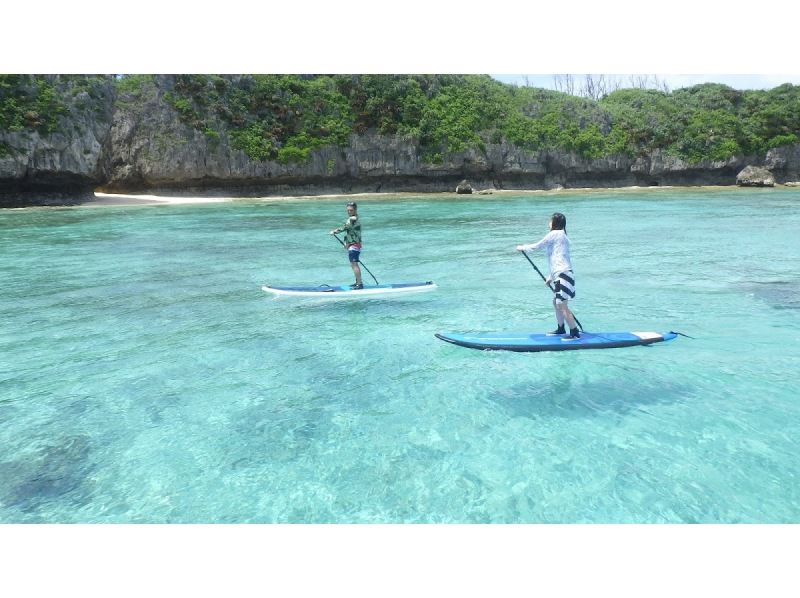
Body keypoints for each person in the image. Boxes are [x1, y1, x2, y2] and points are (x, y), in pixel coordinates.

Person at [516, 212, 580, 339]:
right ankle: (561, 328)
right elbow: (559, 257)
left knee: (561, 304)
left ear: (555, 222)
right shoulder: (562, 236)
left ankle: (574, 332)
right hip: (561, 274)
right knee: (556, 302)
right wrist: (551, 276)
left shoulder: (555, 234)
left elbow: (538, 246)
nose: (548, 223)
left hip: (563, 274)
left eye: (550, 220)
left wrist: (523, 247)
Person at [330, 201, 363, 289]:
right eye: (348, 210)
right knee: (353, 264)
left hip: (354, 245)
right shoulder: (354, 218)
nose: (349, 212)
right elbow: (350, 232)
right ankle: (357, 282)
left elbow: (345, 227)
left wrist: (334, 231)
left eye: (351, 210)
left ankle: (359, 284)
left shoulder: (353, 219)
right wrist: (346, 243)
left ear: (355, 210)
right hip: (353, 244)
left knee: (354, 264)